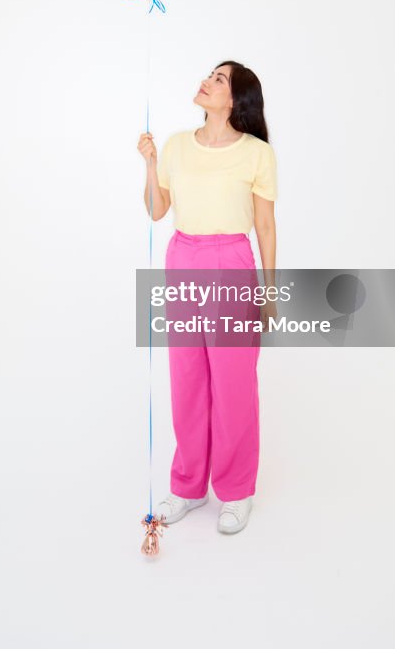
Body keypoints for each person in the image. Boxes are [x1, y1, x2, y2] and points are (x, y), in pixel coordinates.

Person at [137, 60, 278, 535]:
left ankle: (236, 491)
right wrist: (151, 164)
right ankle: (188, 486)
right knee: (187, 379)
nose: (207, 81)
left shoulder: (257, 154)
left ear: (237, 99)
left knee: (234, 384)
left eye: (220, 79)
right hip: (182, 258)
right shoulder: (177, 146)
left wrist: (270, 291)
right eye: (210, 74)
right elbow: (157, 211)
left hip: (231, 262)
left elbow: (264, 225)